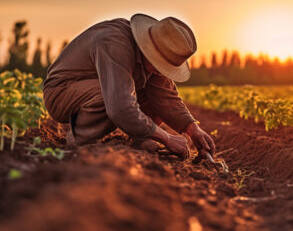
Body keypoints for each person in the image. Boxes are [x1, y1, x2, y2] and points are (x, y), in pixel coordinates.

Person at [43, 13, 215, 160]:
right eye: (161, 64)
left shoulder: (152, 57)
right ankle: (80, 142)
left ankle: (141, 138)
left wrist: (193, 129)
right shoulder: (114, 44)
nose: (160, 70)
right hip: (61, 92)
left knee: (153, 96)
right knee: (113, 93)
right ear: (148, 49)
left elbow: (167, 98)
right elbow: (120, 107)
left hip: (93, 87)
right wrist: (167, 138)